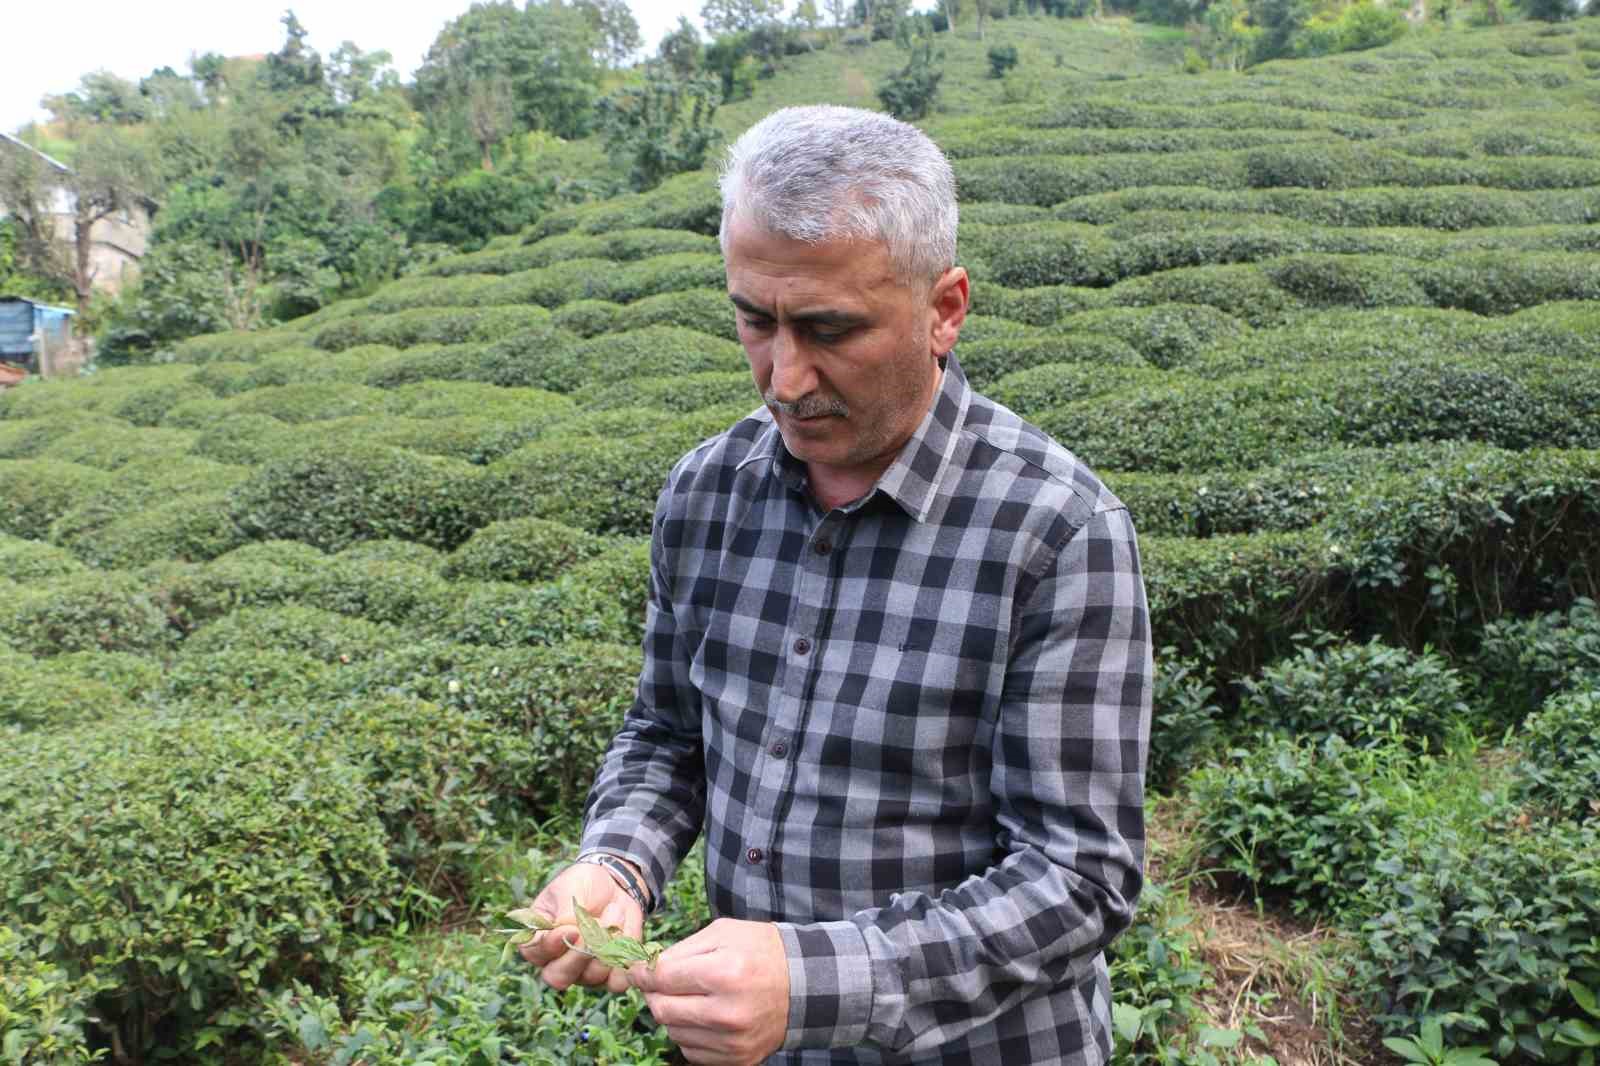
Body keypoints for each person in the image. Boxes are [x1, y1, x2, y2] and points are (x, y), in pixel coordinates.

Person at [519, 104, 1152, 1066]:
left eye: (828, 329)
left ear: (944, 308)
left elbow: (1078, 879)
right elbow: (666, 734)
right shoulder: (705, 493)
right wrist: (620, 859)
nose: (783, 377)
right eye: (753, 320)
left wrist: (814, 982)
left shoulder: (1057, 532)